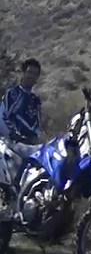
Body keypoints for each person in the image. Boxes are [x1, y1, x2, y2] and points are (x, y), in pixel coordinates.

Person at [0, 58, 44, 221]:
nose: (31, 76)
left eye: (35, 74)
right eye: (29, 72)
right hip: (10, 143)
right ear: (23, 73)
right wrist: (12, 135)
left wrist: (37, 138)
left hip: (29, 145)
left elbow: (37, 124)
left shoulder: (35, 100)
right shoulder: (12, 94)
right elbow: (3, 116)